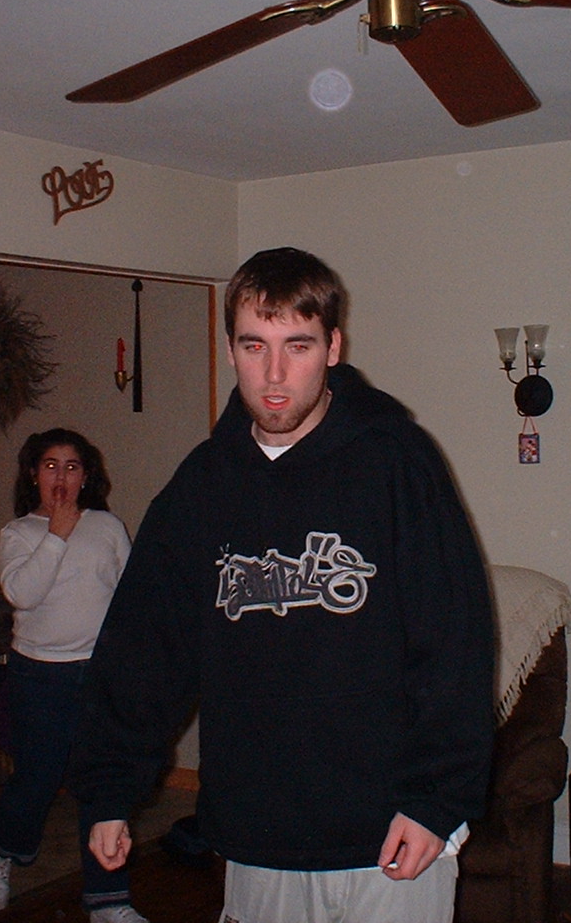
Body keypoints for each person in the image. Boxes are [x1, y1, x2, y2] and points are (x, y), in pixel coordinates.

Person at [69, 247, 495, 923]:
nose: (274, 374)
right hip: (256, 832)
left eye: (298, 345)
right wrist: (110, 790)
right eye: (254, 346)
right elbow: (145, 647)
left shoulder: (397, 463)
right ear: (231, 351)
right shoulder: (202, 485)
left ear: (333, 348)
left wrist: (434, 801)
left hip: (393, 828)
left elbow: (455, 644)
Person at [0, 428, 144, 923]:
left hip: (100, 674)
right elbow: (22, 595)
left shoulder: (107, 527)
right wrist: (57, 533)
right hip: (38, 677)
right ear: (34, 474)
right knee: (37, 779)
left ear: (87, 476)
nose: (61, 477)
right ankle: (0, 850)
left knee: (102, 786)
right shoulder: (19, 533)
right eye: (51, 466)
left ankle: (109, 900)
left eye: (72, 467)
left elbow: (129, 597)